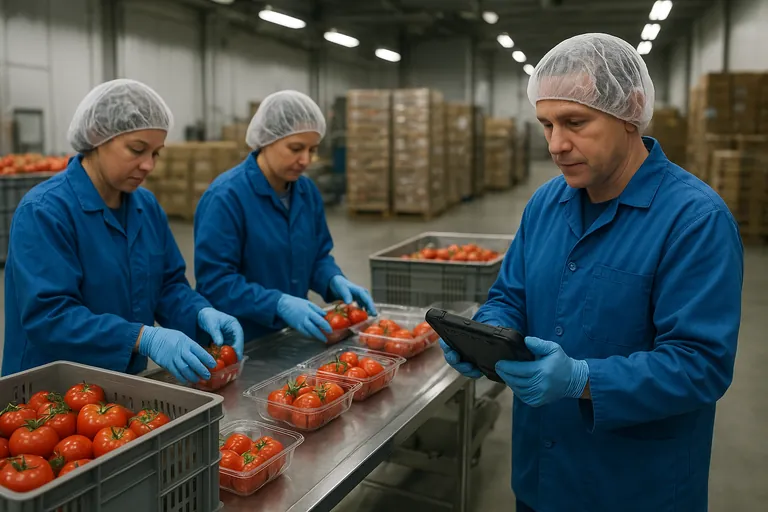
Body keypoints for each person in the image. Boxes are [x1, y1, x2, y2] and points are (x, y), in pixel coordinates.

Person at [440, 33, 743, 512]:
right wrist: (484, 336)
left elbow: (700, 365)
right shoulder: (546, 203)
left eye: (575, 122)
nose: (556, 145)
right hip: (541, 478)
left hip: (632, 487)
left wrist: (582, 379)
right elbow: (510, 295)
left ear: (631, 111)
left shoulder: (694, 220)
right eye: (546, 125)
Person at [2, 79, 244, 385]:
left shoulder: (145, 206)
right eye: (137, 149)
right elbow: (50, 316)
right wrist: (142, 337)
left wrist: (199, 312)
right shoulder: (44, 211)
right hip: (49, 396)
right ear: (97, 137)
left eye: (156, 153)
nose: (148, 165)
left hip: (122, 385)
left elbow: (168, 285)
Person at [194, 90, 376, 343]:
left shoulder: (306, 192)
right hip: (240, 342)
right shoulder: (226, 197)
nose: (305, 160)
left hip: (290, 336)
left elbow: (317, 256)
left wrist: (332, 279)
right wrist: (277, 303)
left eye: (312, 149)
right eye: (295, 148)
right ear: (267, 139)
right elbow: (216, 283)